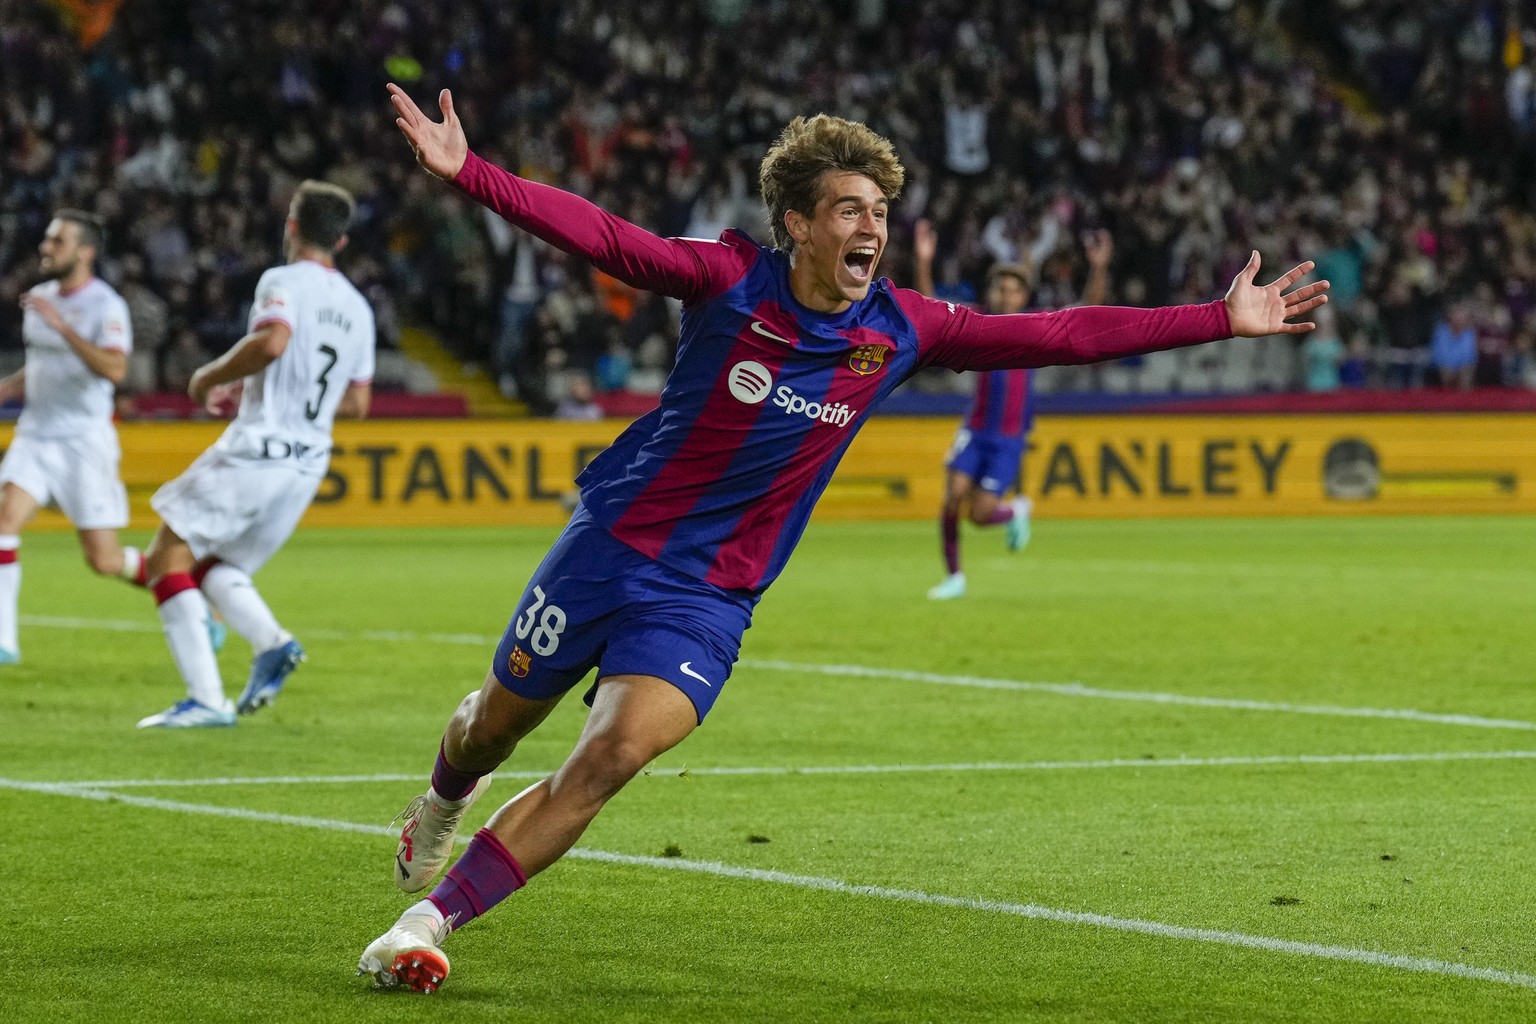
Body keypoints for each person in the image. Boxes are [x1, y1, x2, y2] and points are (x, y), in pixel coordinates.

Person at [360, 84, 1328, 994]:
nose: (874, 228)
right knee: (494, 724)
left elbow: (1061, 331)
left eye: (880, 211)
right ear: (797, 222)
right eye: (852, 209)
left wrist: (1218, 317)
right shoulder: (729, 280)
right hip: (611, 544)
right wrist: (470, 171)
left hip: (711, 596)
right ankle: (443, 804)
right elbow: (610, 239)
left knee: (612, 754)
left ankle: (426, 926)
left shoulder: (901, 329)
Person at [136, 181, 375, 728]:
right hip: (307, 463)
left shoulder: (282, 280)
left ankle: (205, 699)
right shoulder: (358, 308)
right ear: (340, 242)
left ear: (292, 225)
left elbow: (273, 341)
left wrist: (206, 378)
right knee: (221, 569)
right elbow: (357, 402)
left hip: (259, 450)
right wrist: (283, 397)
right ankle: (272, 644)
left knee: (167, 557)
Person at [914, 219, 1113, 600]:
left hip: (1008, 438)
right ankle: (954, 576)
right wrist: (924, 262)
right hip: (975, 429)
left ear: (1024, 295)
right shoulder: (977, 322)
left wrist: (1099, 268)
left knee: (980, 515)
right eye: (999, 287)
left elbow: (1089, 312)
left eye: (1013, 288)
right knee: (953, 494)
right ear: (992, 291)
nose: (1005, 294)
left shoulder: (1038, 327)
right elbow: (930, 310)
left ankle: (1015, 511)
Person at [0, 210, 148, 664]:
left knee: (103, 561)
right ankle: (4, 640)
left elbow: (115, 369)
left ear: (85, 252)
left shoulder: (106, 306)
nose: (46, 248)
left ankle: (186, 592)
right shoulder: (40, 297)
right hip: (36, 434)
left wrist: (64, 328)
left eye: (57, 241)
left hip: (84, 441)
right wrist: (7, 388)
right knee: (3, 522)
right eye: (47, 239)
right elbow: (43, 366)